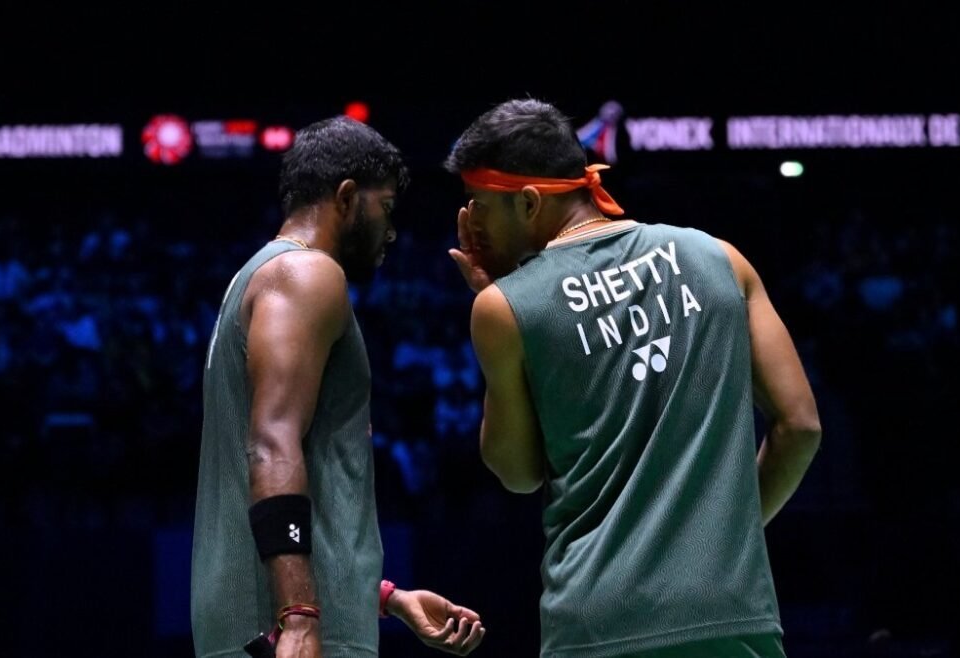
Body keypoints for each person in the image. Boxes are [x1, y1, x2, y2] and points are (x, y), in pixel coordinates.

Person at [443, 98, 822, 657]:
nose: (471, 224)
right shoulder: (721, 258)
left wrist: (503, 297)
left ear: (528, 203)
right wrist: (725, 539)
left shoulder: (502, 308)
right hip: (729, 608)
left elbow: (516, 472)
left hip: (598, 622)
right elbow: (801, 426)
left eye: (479, 206)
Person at [191, 115, 486, 658]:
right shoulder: (306, 275)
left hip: (261, 621)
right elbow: (272, 445)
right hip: (287, 632)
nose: (391, 231)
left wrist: (382, 596)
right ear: (347, 198)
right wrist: (300, 617)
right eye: (386, 208)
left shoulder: (257, 277)